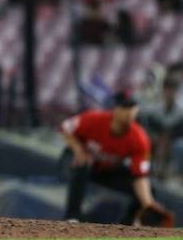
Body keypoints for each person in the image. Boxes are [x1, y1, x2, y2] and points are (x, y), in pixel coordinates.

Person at [60, 91, 161, 224]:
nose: (129, 112)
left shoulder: (140, 138)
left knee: (150, 189)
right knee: (83, 163)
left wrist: (148, 203)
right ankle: (72, 217)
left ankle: (125, 227)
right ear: (115, 109)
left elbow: (140, 175)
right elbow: (66, 127)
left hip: (105, 170)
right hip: (75, 163)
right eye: (124, 107)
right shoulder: (95, 119)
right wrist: (78, 149)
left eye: (132, 107)